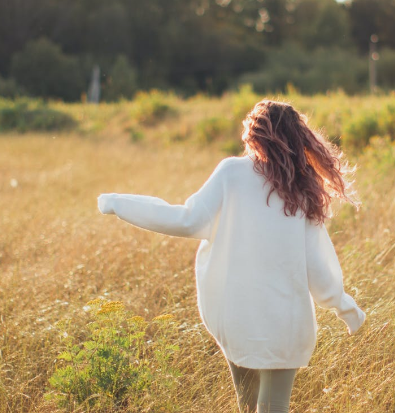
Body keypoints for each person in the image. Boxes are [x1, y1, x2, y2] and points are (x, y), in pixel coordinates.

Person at [96, 100, 366, 413]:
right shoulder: (300, 188)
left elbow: (185, 219)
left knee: (247, 406)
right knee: (272, 408)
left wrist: (118, 203)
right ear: (298, 138)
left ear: (254, 134)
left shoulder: (231, 173)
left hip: (236, 315)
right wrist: (347, 310)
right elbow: (319, 270)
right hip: (284, 323)